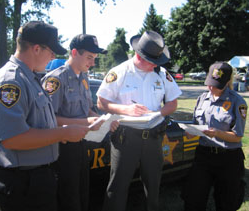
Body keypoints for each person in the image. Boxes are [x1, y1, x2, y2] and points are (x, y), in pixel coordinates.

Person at [0, 21, 90, 211]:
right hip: (23, 183)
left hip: (38, 178)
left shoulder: (30, 78)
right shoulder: (11, 81)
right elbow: (12, 138)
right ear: (36, 49)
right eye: (51, 52)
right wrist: (63, 133)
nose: (52, 57)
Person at [97, 31, 182, 211]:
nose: (155, 66)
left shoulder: (161, 73)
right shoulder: (119, 73)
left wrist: (158, 112)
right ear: (139, 55)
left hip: (153, 137)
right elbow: (101, 102)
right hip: (125, 138)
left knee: (152, 186)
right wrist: (125, 109)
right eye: (152, 62)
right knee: (118, 186)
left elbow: (173, 103)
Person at [42, 34, 118, 211]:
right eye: (89, 57)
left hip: (82, 145)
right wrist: (85, 121)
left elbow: (88, 110)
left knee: (83, 194)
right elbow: (46, 119)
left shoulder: (83, 78)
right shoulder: (55, 79)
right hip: (62, 149)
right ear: (75, 52)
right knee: (68, 198)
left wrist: (102, 120)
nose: (92, 63)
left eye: (94, 58)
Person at [182, 62, 247, 211]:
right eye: (209, 84)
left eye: (217, 85)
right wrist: (191, 132)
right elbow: (195, 124)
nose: (211, 88)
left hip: (228, 158)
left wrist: (217, 133)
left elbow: (237, 136)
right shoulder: (202, 99)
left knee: (226, 202)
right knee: (193, 198)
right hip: (204, 156)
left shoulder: (238, 102)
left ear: (227, 82)